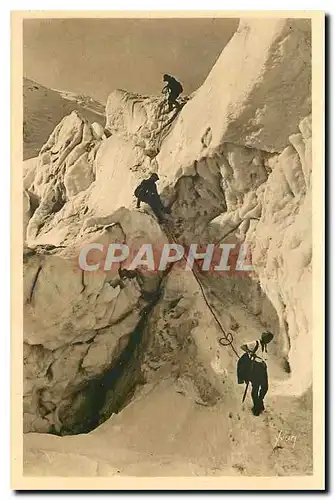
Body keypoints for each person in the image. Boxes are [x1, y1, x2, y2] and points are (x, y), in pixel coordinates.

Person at [238, 331, 274, 416]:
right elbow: (243, 346)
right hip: (255, 368)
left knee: (265, 387)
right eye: (267, 339)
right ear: (263, 337)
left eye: (269, 340)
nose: (268, 341)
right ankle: (256, 407)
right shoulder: (256, 343)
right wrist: (249, 352)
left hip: (262, 368)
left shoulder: (264, 346)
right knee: (256, 388)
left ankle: (259, 401)